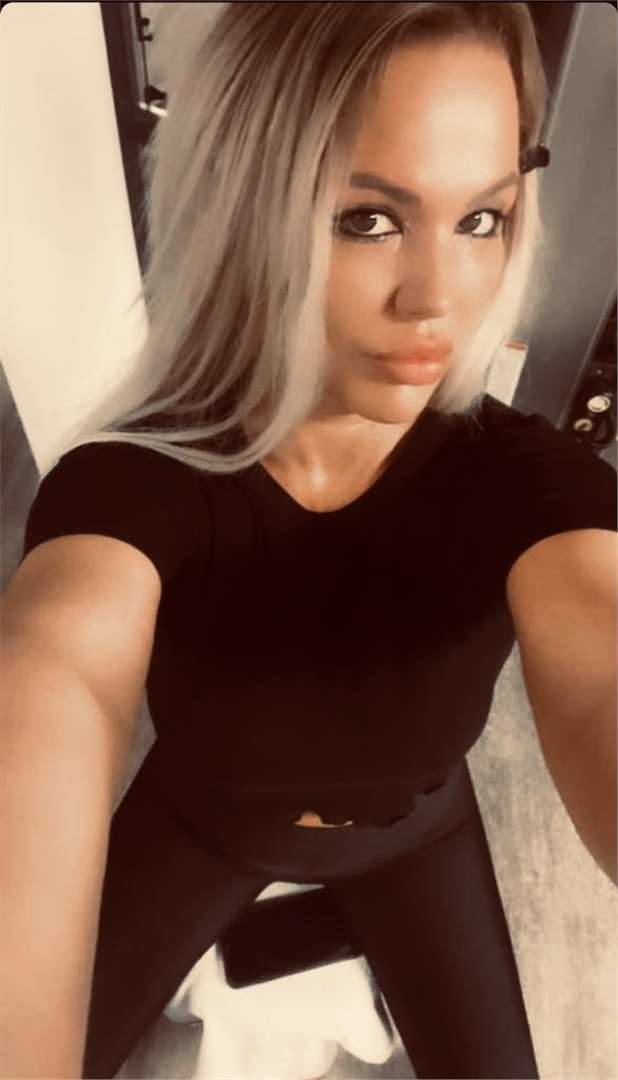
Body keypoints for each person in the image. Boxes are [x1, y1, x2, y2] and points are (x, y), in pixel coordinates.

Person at [2, 3, 616, 1078]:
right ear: (242, 208)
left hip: (418, 832)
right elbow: (59, 671)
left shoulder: (528, 479)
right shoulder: (129, 490)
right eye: (367, 219)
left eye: (482, 219)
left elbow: (602, 664)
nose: (438, 300)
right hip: (206, 827)